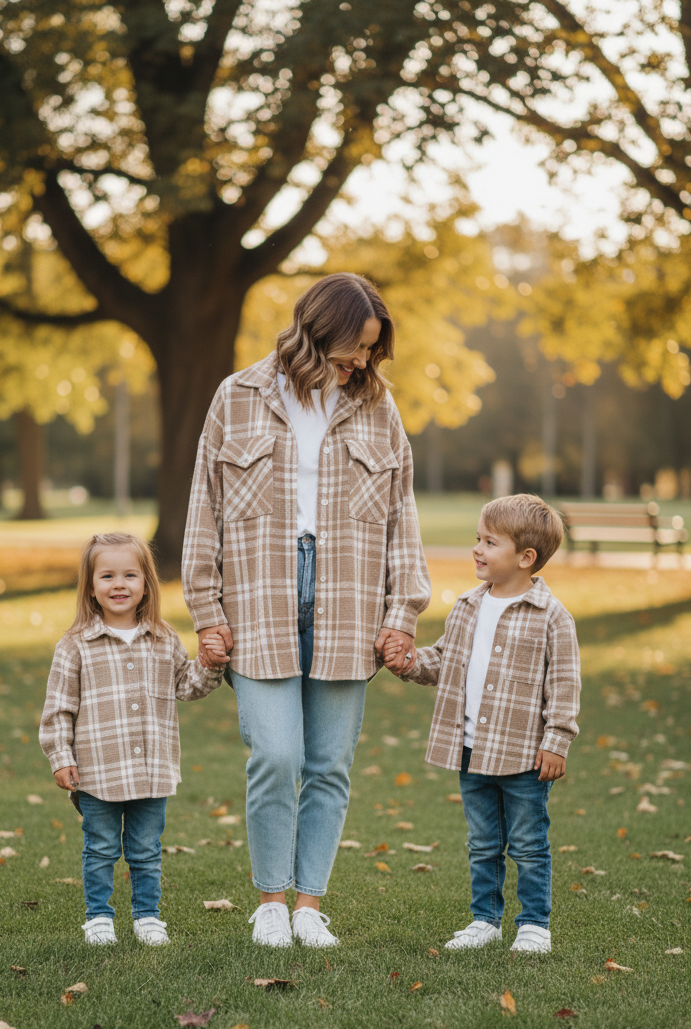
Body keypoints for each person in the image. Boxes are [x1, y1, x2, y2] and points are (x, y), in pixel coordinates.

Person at [183, 273, 431, 948]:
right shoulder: (236, 397)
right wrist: (205, 607)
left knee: (328, 763)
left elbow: (401, 517)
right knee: (275, 752)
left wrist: (402, 611)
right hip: (259, 595)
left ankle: (308, 906)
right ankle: (269, 902)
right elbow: (204, 506)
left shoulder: (379, 407)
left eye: (373, 350)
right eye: (358, 345)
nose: (364, 361)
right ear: (319, 328)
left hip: (350, 598)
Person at [384, 494, 580, 953]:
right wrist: (410, 661)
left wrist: (557, 741)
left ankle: (533, 925)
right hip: (471, 751)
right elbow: (443, 661)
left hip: (523, 755)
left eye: (490, 542)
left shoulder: (552, 617)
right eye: (478, 539)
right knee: (482, 843)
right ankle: (485, 920)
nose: (477, 549)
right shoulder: (468, 606)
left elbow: (565, 685)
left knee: (529, 843)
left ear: (525, 557)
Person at [39, 532, 227, 945]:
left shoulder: (164, 640)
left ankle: (147, 917)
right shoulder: (75, 646)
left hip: (151, 769)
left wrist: (210, 664)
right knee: (101, 848)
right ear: (90, 586)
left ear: (146, 583)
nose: (118, 584)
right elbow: (58, 710)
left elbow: (187, 685)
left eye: (129, 575)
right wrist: (60, 756)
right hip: (97, 770)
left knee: (145, 849)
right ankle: (99, 918)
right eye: (107, 576)